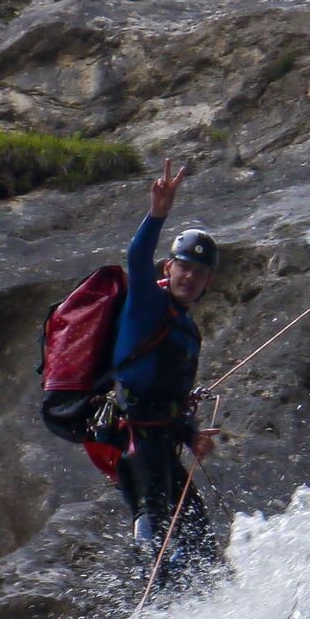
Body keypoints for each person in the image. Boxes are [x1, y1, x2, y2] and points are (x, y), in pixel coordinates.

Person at [109, 159, 220, 556]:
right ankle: (151, 607)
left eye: (199, 273)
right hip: (133, 440)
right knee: (152, 523)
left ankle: (206, 603)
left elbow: (175, 398)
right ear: (169, 267)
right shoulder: (147, 303)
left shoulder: (189, 334)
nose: (189, 278)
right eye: (183, 267)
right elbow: (137, 259)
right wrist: (158, 213)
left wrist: (191, 434)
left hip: (164, 442)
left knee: (200, 537)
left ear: (208, 282)